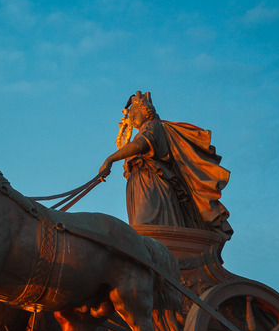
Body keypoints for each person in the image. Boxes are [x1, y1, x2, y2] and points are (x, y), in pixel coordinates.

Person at [98, 90, 232, 240]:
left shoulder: (153, 126)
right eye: (130, 115)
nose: (132, 117)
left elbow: (141, 144)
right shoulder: (143, 131)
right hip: (140, 184)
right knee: (141, 230)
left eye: (135, 113)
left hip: (152, 183)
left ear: (147, 112)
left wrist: (110, 159)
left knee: (148, 228)